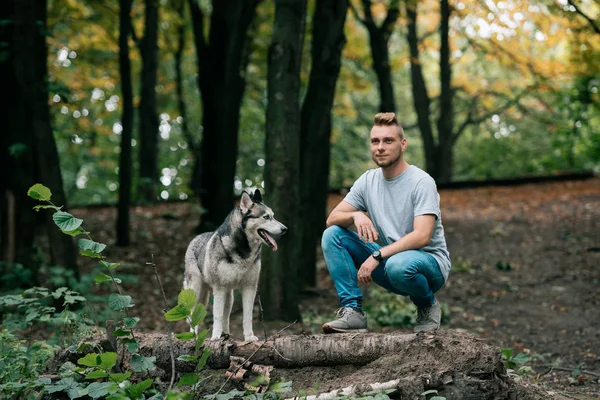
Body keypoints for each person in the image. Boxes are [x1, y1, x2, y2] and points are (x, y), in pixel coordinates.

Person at [321, 112, 451, 334]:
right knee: (333, 235)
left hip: (429, 265)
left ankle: (427, 305)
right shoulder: (368, 180)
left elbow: (422, 236)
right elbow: (331, 219)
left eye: (388, 141)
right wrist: (355, 215)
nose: (380, 147)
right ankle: (352, 312)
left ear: (403, 144)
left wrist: (377, 255)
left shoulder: (421, 182)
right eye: (375, 141)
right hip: (390, 261)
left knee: (398, 265)